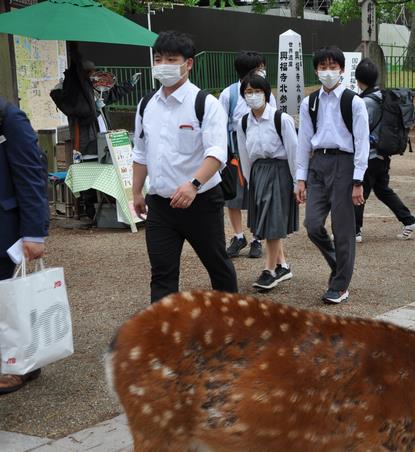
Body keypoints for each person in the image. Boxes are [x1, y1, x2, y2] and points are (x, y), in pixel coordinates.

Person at [131, 31, 237, 303]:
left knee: (218, 266)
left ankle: (232, 324)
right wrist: (136, 192)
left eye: (171, 59)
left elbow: (217, 153)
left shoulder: (205, 104)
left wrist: (193, 185)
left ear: (188, 64)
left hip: (200, 202)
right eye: (158, 59)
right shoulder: (146, 105)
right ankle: (164, 336)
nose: (163, 64)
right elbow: (141, 152)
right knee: (162, 273)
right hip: (160, 205)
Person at [295, 46, 370, 304]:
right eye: (323, 67)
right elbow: (303, 141)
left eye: (333, 66)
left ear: (342, 69)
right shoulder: (310, 102)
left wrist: (358, 180)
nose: (328, 72)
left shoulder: (354, 101)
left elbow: (362, 143)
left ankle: (340, 285)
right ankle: (340, 265)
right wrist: (300, 178)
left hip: (344, 164)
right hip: (319, 163)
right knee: (312, 225)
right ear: (316, 70)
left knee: (342, 228)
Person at [0, 97, 49, 394]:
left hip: (5, 225)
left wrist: (34, 232)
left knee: (9, 296)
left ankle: (18, 365)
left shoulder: (9, 118)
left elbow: (32, 175)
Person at [50, 58, 140, 219]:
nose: (95, 75)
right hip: (87, 141)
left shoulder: (92, 88)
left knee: (106, 171)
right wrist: (96, 108)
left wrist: (129, 85)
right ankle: (90, 209)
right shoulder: (73, 92)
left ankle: (108, 206)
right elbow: (82, 112)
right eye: (91, 72)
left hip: (103, 137)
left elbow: (111, 94)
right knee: (90, 175)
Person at [235, 73, 297, 291]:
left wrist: (298, 183)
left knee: (272, 220)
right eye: (248, 92)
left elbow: (293, 152)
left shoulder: (281, 119)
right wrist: (250, 179)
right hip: (258, 173)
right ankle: (282, 265)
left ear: (267, 93)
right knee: (267, 218)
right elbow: (244, 154)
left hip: (279, 171)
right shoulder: (243, 122)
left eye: (257, 91)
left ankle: (269, 270)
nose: (253, 96)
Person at [352, 58, 415, 241]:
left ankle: (355, 231)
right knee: (383, 190)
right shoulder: (383, 97)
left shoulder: (365, 102)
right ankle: (410, 220)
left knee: (359, 194)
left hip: (370, 155)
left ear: (358, 80)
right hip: (383, 154)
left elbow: (359, 129)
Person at [219, 51, 275, 259]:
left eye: (262, 67)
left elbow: (274, 121)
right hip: (234, 155)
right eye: (259, 68)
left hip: (259, 155)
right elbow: (219, 125)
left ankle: (257, 238)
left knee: (258, 197)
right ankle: (238, 236)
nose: (262, 71)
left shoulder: (267, 93)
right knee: (232, 198)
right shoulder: (229, 94)